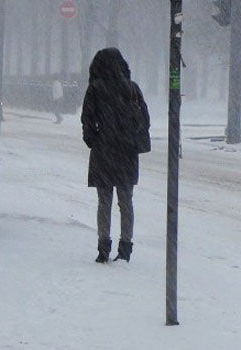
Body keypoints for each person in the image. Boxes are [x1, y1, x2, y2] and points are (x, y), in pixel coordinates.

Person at [81, 48, 150, 263]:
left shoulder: (95, 89)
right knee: (126, 200)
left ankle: (103, 246)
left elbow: (87, 120)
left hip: (104, 151)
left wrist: (94, 139)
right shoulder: (131, 89)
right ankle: (126, 246)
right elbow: (145, 121)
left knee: (104, 201)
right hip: (126, 152)